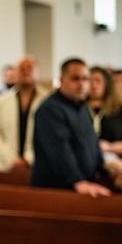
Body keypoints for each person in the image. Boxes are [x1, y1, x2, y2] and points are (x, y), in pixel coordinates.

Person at [31, 58, 111, 197]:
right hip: (55, 191)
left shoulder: (82, 106)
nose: (81, 84)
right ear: (62, 80)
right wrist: (77, 181)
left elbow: (92, 142)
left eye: (85, 79)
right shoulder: (50, 109)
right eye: (75, 79)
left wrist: (105, 169)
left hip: (78, 187)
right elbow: (59, 150)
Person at [0, 56, 47, 171]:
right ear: (15, 73)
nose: (26, 71)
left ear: (38, 73)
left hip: (38, 166)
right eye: (22, 68)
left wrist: (28, 159)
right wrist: (12, 160)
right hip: (7, 166)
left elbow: (50, 136)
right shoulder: (2, 101)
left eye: (30, 67)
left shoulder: (47, 100)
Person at [88, 66, 122, 157]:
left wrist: (109, 147)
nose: (93, 85)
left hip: (114, 162)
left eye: (98, 81)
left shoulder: (120, 111)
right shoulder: (76, 110)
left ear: (107, 84)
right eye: (89, 80)